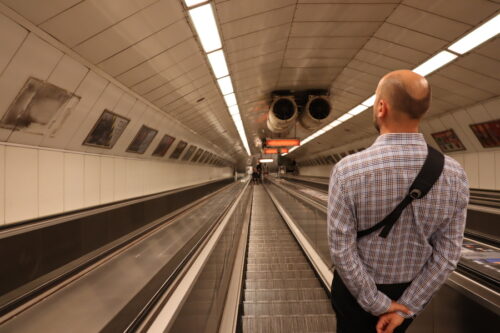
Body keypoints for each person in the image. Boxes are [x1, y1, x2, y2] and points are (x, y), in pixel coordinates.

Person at [327, 70, 469, 333]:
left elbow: (341, 248)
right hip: (410, 290)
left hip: (355, 292)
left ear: (382, 107)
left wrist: (376, 302)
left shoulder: (348, 170)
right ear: (423, 111)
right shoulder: (454, 174)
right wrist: (405, 306)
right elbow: (448, 253)